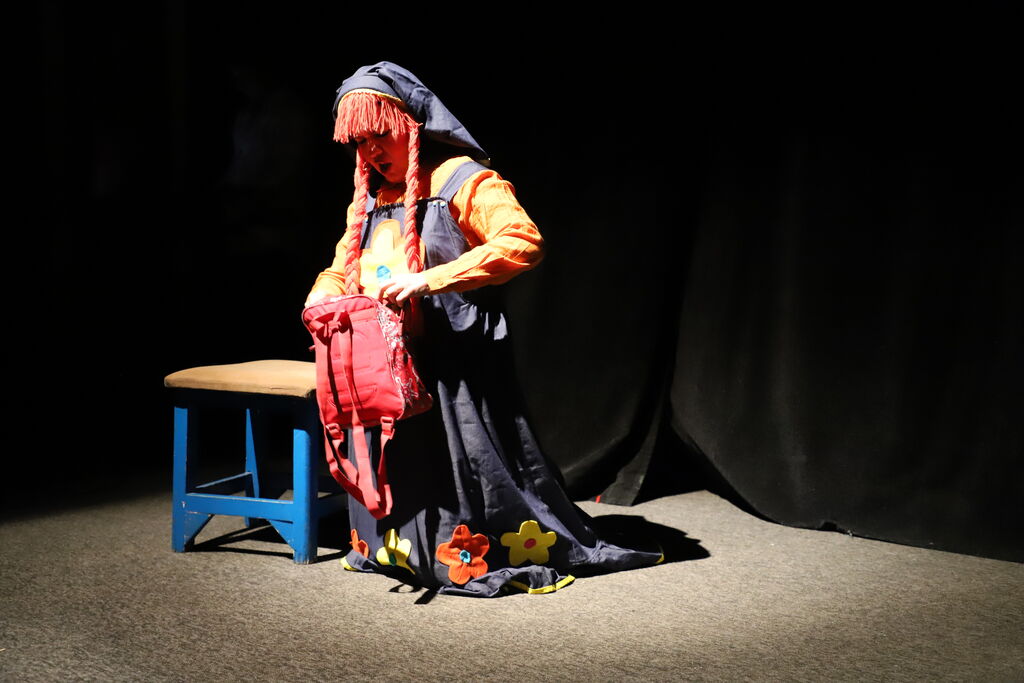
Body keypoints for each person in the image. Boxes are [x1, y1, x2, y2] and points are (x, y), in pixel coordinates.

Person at [306, 62, 661, 596]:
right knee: (403, 457)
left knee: (466, 460)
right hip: (391, 361)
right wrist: (323, 291)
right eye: (359, 141)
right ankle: (399, 551)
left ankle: (470, 552)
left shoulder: (461, 179)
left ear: (413, 123)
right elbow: (343, 266)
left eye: (380, 133)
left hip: (454, 355)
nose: (371, 151)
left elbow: (521, 240)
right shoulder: (372, 200)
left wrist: (429, 279)